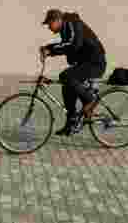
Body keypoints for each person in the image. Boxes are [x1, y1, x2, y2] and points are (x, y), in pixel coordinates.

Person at [39, 8, 107, 136]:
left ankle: (89, 99)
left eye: (49, 24)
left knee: (66, 76)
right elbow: (67, 44)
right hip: (85, 63)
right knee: (67, 86)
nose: (49, 27)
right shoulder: (67, 27)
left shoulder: (72, 23)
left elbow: (73, 44)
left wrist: (50, 50)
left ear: (58, 20)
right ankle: (71, 123)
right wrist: (49, 48)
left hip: (95, 63)